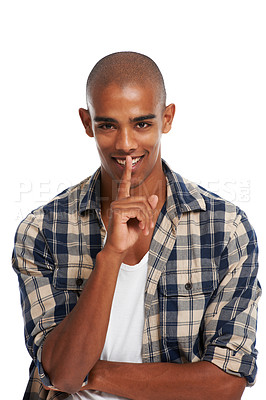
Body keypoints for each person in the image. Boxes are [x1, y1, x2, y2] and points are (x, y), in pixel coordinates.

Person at [13, 51, 261, 400]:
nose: (126, 143)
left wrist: (94, 373)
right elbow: (64, 376)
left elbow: (225, 383)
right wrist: (111, 255)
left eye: (142, 124)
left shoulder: (225, 229)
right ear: (87, 123)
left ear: (167, 118)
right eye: (108, 125)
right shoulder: (42, 230)